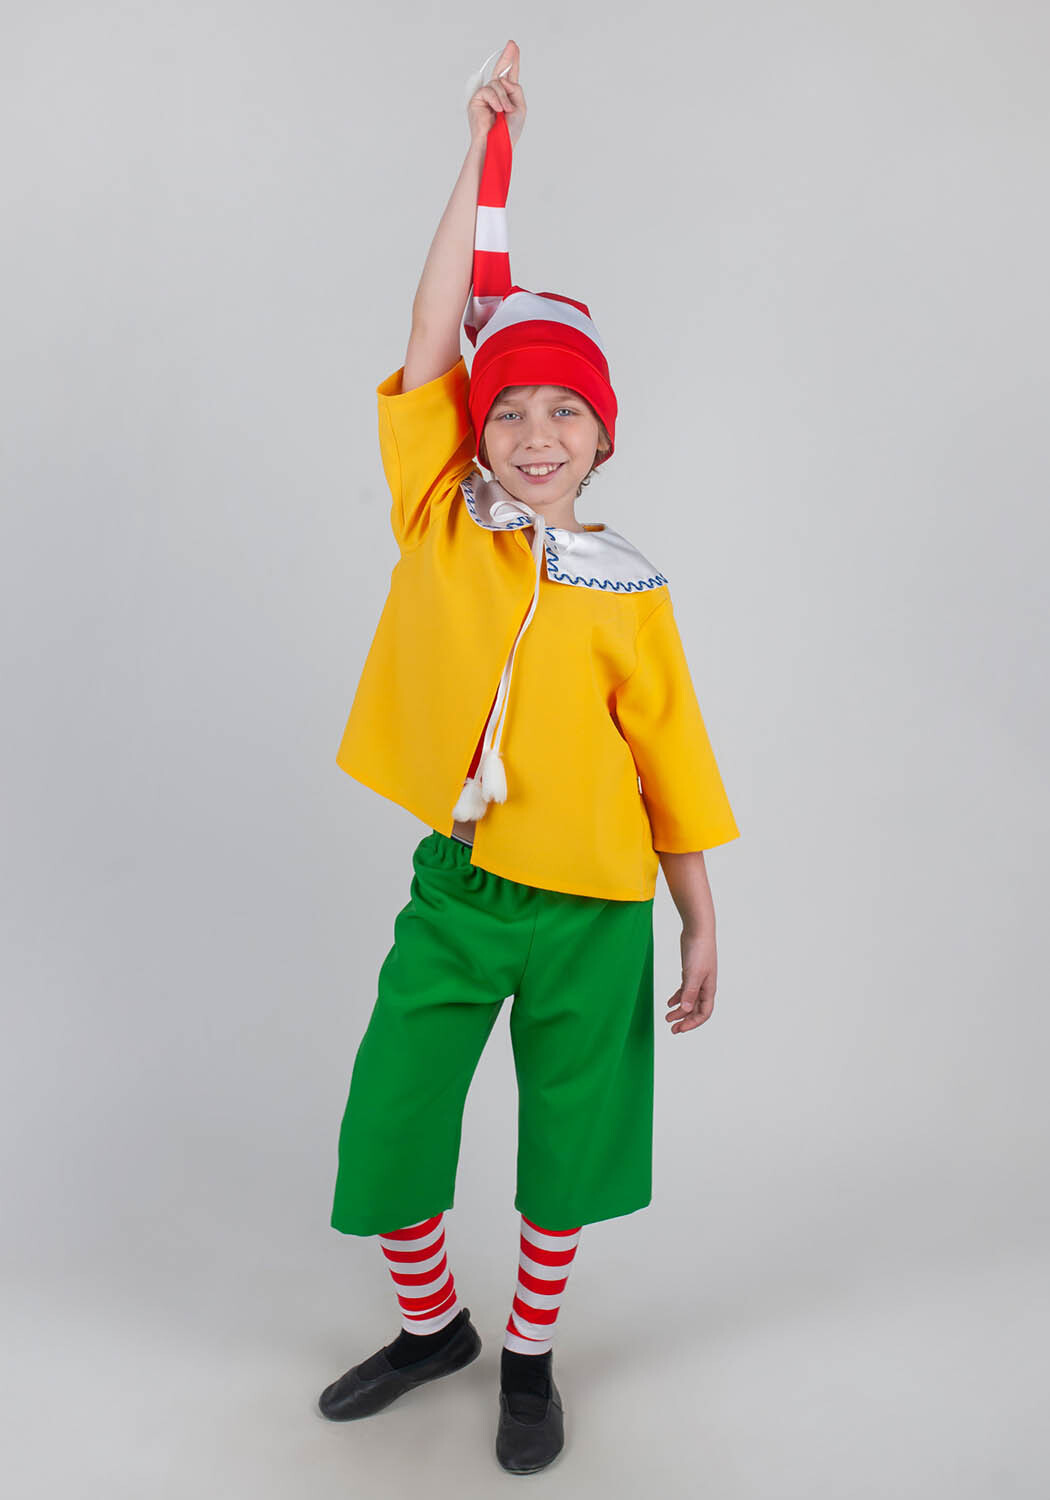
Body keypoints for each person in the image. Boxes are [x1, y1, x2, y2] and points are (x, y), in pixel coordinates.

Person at [317, 40, 740, 1475]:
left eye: (565, 411)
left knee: (566, 1148)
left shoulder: (633, 587)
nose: (535, 431)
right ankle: (431, 1326)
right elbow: (433, 327)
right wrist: (477, 157)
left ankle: (529, 1359)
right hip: (463, 889)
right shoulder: (440, 515)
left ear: (603, 434)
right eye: (509, 409)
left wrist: (697, 915)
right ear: (475, 431)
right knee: (392, 1121)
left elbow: (672, 758)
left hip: (598, 906)